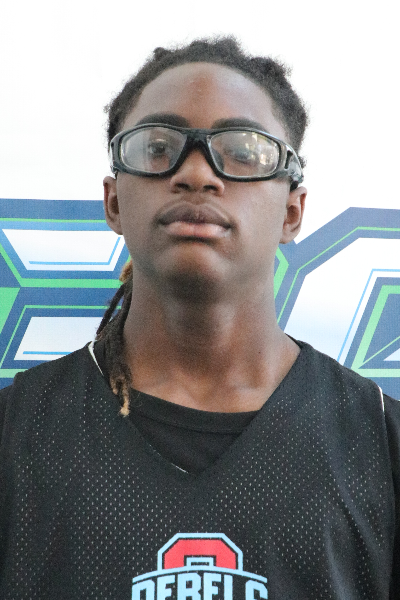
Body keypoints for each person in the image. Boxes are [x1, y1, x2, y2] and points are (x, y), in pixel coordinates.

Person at [0, 37, 399, 600]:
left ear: (292, 212)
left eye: (242, 151)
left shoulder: (380, 443)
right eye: (157, 147)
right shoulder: (16, 435)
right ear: (114, 203)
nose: (196, 174)